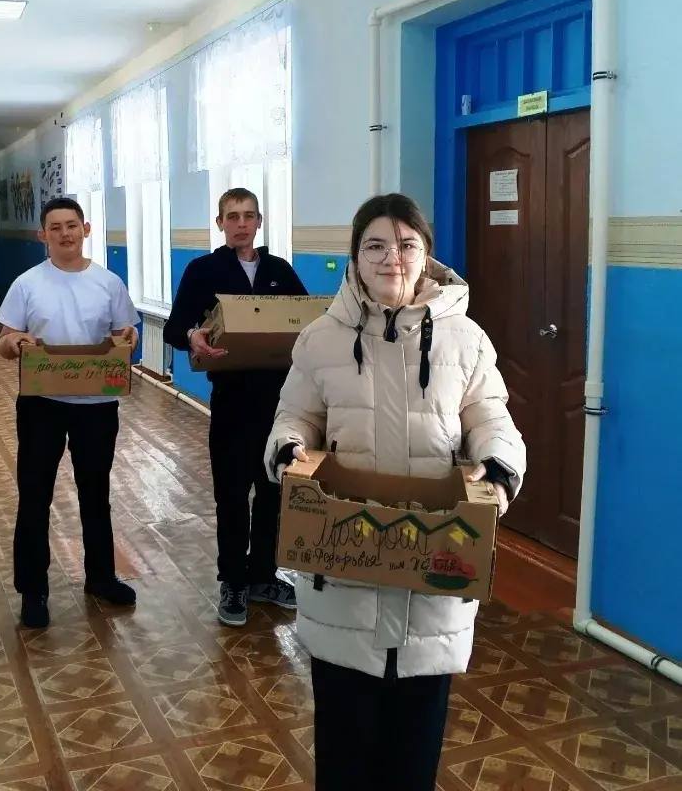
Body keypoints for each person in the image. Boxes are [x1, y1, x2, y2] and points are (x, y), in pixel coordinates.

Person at [265, 193, 526, 790]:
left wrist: (498, 463)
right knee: (344, 753)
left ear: (426, 254)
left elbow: (492, 417)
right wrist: (288, 448)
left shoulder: (466, 339)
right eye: (375, 246)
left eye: (406, 245)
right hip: (342, 576)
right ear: (355, 257)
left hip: (433, 577)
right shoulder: (320, 339)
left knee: (413, 756)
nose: (392, 258)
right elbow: (294, 417)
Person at [164, 188, 307, 626]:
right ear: (220, 223)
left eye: (248, 216)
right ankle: (232, 580)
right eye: (232, 216)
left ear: (259, 221)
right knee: (231, 494)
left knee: (272, 491)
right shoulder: (204, 270)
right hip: (230, 400)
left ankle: (263, 575)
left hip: (278, 402)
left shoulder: (280, 271)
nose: (241, 224)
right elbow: (175, 327)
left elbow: (305, 325)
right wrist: (192, 336)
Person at [0, 197, 139, 629]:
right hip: (41, 405)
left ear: (86, 229)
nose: (65, 234)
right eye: (55, 227)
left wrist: (129, 339)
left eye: (72, 225)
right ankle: (33, 590)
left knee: (95, 493)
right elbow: (4, 341)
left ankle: (101, 577)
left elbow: (125, 337)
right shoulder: (27, 284)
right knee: (34, 495)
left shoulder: (108, 283)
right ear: (43, 234)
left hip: (97, 406)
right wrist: (15, 342)